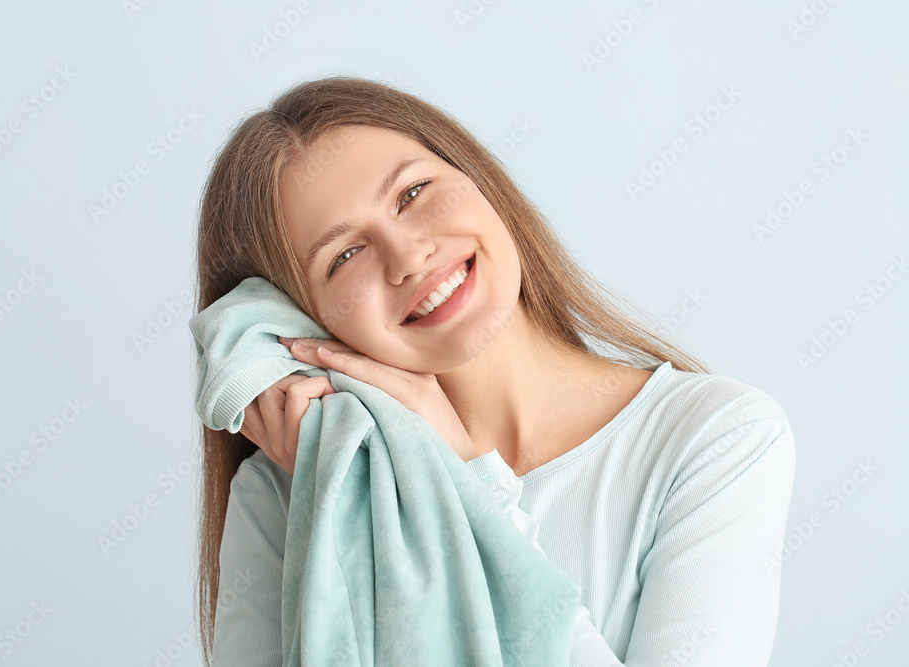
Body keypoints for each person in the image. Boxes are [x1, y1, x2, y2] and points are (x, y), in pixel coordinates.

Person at [192, 75, 796, 666]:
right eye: (344, 256)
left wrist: (459, 478)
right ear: (298, 319)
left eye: (412, 193)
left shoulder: (716, 437)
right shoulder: (294, 490)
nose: (407, 257)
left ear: (478, 178)